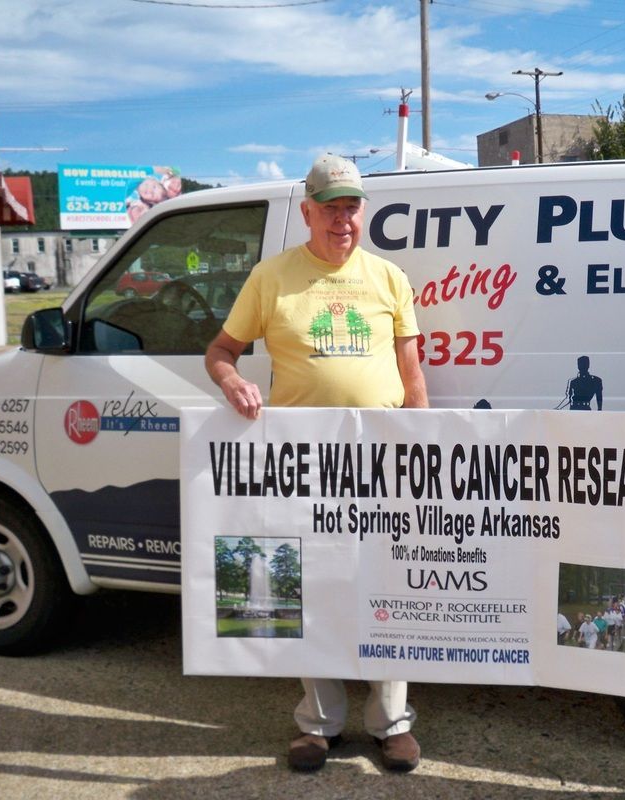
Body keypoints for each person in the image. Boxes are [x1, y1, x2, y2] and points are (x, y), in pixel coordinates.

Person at [205, 153, 428, 775]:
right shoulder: (270, 277)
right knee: (306, 589)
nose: (342, 218)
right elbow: (222, 350)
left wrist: (422, 448)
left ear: (364, 211)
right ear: (306, 211)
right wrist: (231, 382)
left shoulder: (388, 278)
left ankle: (392, 723)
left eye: (351, 206)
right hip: (300, 465)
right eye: (329, 207)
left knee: (388, 586)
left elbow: (413, 374)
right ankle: (319, 722)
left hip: (382, 463)